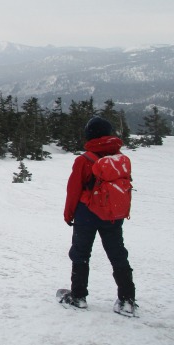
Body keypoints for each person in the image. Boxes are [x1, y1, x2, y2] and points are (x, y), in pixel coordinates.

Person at [62, 116, 137, 314]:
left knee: (81, 253)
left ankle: (78, 297)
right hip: (112, 213)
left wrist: (69, 214)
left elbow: (74, 190)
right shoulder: (119, 158)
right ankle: (127, 300)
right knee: (117, 253)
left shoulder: (84, 160)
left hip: (86, 214)